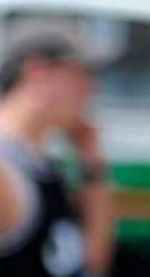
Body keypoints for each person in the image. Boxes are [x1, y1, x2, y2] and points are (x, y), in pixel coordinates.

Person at [0, 23, 114, 277]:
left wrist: (92, 164)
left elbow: (90, 264)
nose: (91, 90)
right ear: (38, 72)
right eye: (82, 75)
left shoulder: (42, 164)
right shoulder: (7, 166)